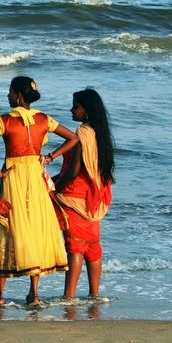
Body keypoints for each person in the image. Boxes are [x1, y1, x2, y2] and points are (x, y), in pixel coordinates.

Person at [0, 76, 78, 307]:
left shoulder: (4, 120)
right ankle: (34, 295)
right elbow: (72, 138)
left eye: (10, 92)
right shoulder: (44, 119)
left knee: (8, 228)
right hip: (36, 175)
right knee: (34, 229)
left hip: (13, 178)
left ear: (18, 95)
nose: (7, 96)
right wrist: (50, 157)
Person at [54, 88, 115, 301]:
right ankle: (94, 295)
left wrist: (56, 187)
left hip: (75, 196)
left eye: (76, 107)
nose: (72, 110)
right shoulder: (101, 133)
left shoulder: (82, 133)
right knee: (92, 246)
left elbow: (74, 170)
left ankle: (69, 297)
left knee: (75, 247)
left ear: (86, 110)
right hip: (94, 196)